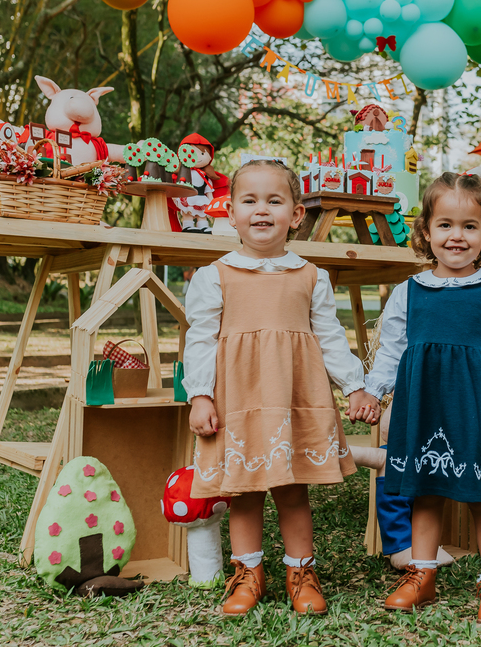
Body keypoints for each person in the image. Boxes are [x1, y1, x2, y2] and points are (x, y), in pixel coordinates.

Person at [182, 159, 380, 617]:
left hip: (294, 399)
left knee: (293, 489)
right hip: (239, 400)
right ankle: (248, 573)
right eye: (249, 201)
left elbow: (330, 338)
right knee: (245, 490)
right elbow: (200, 339)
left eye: (274, 200)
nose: (261, 210)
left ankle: (301, 572)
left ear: (295, 215)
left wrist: (354, 386)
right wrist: (200, 395)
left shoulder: (311, 275)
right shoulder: (215, 275)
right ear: (230, 212)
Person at [363, 172, 481, 623]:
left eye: (469, 226)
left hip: (479, 409)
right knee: (424, 494)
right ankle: (423, 575)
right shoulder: (408, 292)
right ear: (426, 231)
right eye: (445, 225)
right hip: (423, 407)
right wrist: (373, 391)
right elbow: (391, 350)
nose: (456, 236)